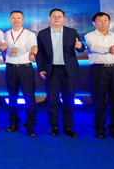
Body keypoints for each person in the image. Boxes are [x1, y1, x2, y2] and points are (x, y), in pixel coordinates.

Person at [36, 8, 86, 138]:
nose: (57, 18)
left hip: (69, 70)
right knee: (52, 101)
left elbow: (81, 49)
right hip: (51, 70)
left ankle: (68, 127)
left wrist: (80, 46)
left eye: (60, 16)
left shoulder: (71, 32)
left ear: (64, 19)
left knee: (69, 100)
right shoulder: (43, 33)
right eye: (54, 16)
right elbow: (39, 53)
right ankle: (54, 126)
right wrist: (41, 68)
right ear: (49, 18)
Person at [84, 12, 114, 140]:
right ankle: (100, 129)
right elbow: (93, 47)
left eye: (105, 20)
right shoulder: (89, 36)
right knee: (98, 100)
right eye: (100, 20)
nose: (103, 23)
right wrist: (108, 49)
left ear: (109, 22)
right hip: (98, 70)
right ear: (94, 23)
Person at [3, 10, 39, 137]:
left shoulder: (30, 34)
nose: (16, 20)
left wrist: (33, 53)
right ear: (10, 20)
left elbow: (34, 46)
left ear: (23, 20)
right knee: (12, 97)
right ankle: (13, 123)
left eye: (18, 18)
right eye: (13, 18)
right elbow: (3, 49)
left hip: (25, 68)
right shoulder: (5, 34)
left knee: (29, 97)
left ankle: (30, 126)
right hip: (11, 68)